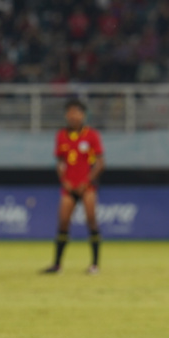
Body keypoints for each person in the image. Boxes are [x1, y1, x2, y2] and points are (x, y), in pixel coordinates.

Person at [42, 99, 105, 275]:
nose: (73, 116)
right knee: (63, 222)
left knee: (91, 220)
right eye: (70, 113)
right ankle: (57, 265)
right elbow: (60, 162)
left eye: (77, 113)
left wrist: (88, 181)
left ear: (83, 115)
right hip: (69, 187)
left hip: (87, 187)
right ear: (66, 115)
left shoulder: (91, 135)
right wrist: (65, 181)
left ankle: (94, 265)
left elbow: (100, 163)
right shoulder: (61, 135)